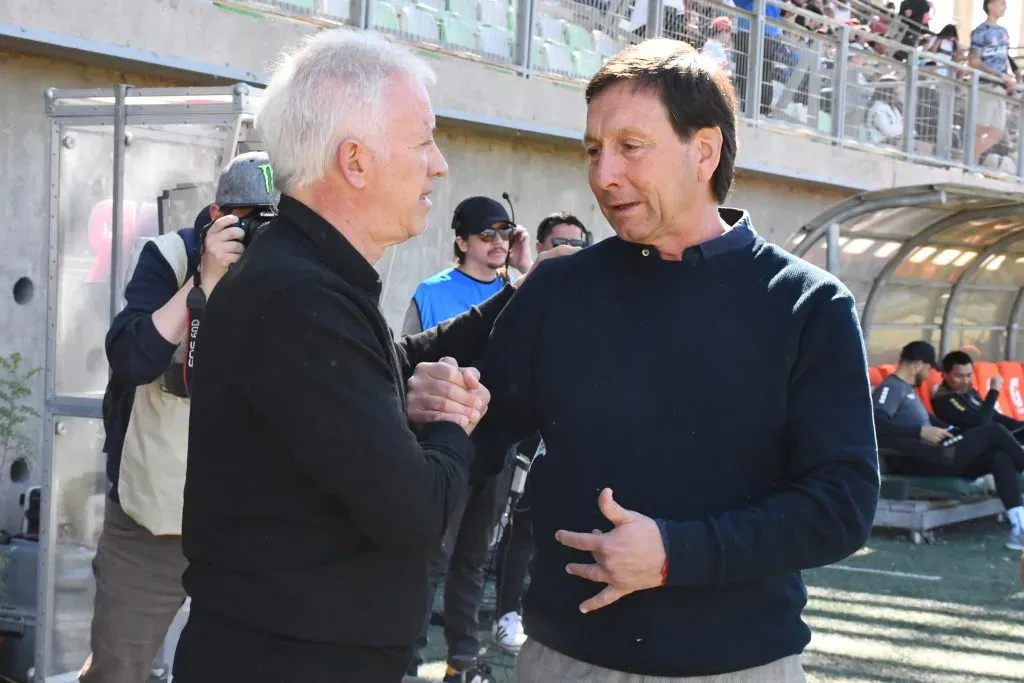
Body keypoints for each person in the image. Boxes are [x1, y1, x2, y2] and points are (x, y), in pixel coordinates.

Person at [416, 38, 879, 681]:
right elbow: (479, 435)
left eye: (630, 147)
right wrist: (438, 409)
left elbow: (842, 505)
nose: (603, 175)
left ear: (705, 150)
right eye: (592, 150)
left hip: (739, 665)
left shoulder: (807, 304)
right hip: (563, 661)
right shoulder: (559, 288)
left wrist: (676, 554)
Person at [172, 29, 571, 683]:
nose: (438, 163)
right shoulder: (300, 298)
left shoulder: (304, 277)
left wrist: (519, 297)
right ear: (355, 162)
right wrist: (452, 420)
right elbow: (416, 511)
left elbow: (389, 360)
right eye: (423, 140)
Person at [78, 152, 278, 683]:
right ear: (216, 212)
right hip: (154, 522)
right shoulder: (172, 257)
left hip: (248, 526)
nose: (257, 232)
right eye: (247, 217)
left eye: (271, 219)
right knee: (118, 666)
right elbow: (130, 359)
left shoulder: (292, 271)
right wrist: (204, 281)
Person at [403, 197, 533, 683]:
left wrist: (523, 270)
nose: (498, 241)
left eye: (506, 232)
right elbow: (409, 364)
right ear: (462, 241)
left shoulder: (518, 288)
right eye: (487, 234)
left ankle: (462, 660)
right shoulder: (432, 291)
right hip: (443, 444)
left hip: (496, 448)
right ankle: (411, 659)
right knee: (432, 555)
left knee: (475, 559)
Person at [491, 211, 589, 656]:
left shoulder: (601, 295)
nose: (570, 248)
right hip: (527, 436)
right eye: (560, 241)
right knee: (518, 529)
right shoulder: (536, 291)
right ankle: (505, 613)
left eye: (578, 242)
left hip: (578, 440)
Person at [873, 342, 1024, 550]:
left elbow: (931, 422)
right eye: (928, 369)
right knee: (994, 431)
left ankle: (1020, 528)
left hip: (939, 454)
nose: (928, 375)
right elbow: (876, 423)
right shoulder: (891, 388)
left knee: (999, 456)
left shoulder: (907, 390)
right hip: (922, 459)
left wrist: (956, 432)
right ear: (918, 365)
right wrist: (919, 432)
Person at [931, 350, 1024, 438]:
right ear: (945, 375)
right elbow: (980, 426)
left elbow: (995, 416)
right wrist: (993, 391)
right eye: (959, 376)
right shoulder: (944, 400)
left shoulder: (968, 391)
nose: (965, 381)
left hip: (1001, 437)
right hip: (980, 445)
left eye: (969, 375)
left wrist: (1019, 426)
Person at [969, 0, 1015, 164]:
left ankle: (970, 158)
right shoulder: (980, 31)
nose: (1004, 6)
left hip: (1001, 88)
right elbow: (974, 61)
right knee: (980, 127)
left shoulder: (1004, 31)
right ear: (990, 6)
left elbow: (1004, 58)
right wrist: (997, 74)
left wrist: (1010, 77)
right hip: (986, 85)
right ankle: (970, 161)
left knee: (997, 132)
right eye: (1001, 3)